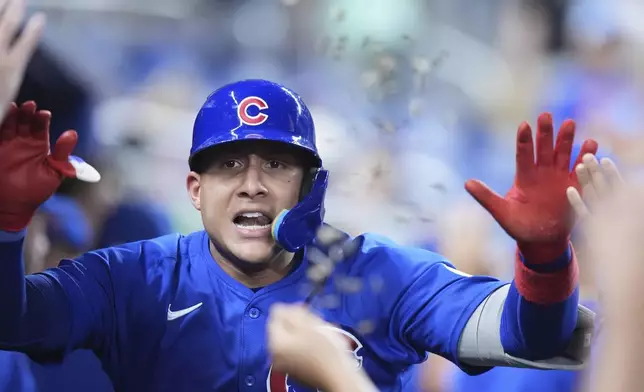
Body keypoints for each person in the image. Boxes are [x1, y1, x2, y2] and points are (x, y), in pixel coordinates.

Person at [0, 78, 597, 392]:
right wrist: (6, 226)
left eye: (278, 165)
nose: (253, 184)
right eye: (229, 165)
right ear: (194, 190)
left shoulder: (383, 274)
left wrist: (543, 257)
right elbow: (13, 320)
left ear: (313, 185)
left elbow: (530, 333)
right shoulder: (132, 276)